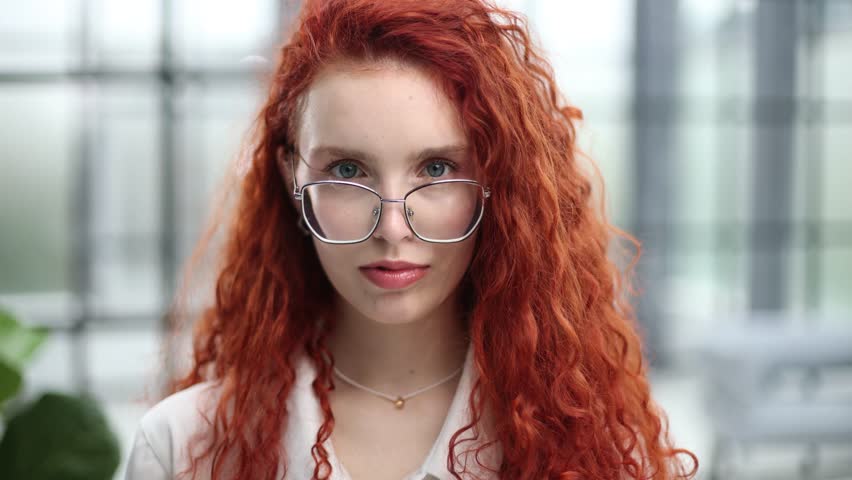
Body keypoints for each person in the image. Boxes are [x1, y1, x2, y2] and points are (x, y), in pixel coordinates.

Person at [125, 0, 697, 479]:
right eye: (348, 170)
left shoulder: (592, 446)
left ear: (496, 180)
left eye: (438, 169)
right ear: (290, 177)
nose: (393, 229)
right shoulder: (184, 447)